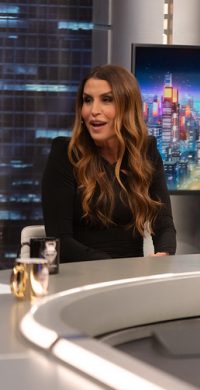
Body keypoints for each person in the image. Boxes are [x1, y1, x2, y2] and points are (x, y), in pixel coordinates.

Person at [42, 65, 176, 262]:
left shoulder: (146, 151)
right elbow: (59, 240)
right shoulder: (65, 153)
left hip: (132, 278)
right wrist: (114, 268)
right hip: (81, 278)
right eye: (87, 100)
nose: (93, 110)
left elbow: (163, 223)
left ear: (127, 107)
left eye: (106, 100)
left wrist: (162, 256)